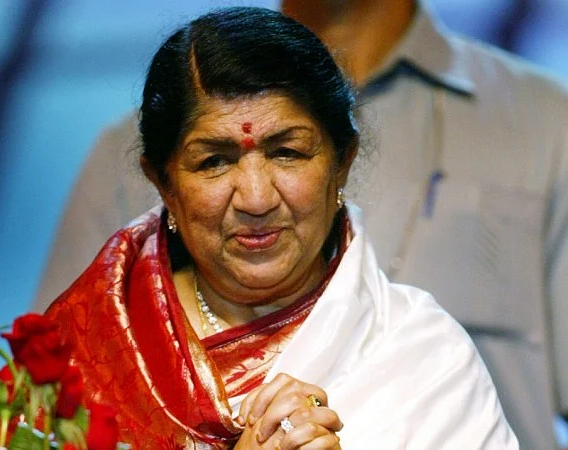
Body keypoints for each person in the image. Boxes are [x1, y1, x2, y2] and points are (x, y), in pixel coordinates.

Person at [33, 1, 568, 447]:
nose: (256, 198)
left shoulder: (425, 361)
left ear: (343, 163)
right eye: (214, 161)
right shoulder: (97, 344)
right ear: (162, 182)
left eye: (287, 153)